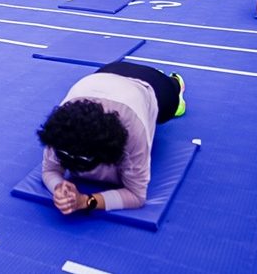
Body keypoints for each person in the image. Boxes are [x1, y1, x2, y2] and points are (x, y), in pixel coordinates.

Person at [38, 63, 186, 214]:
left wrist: (85, 201)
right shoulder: (63, 127)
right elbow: (49, 171)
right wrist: (59, 187)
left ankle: (173, 83)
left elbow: (136, 196)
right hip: (105, 74)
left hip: (152, 86)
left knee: (171, 102)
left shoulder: (133, 131)